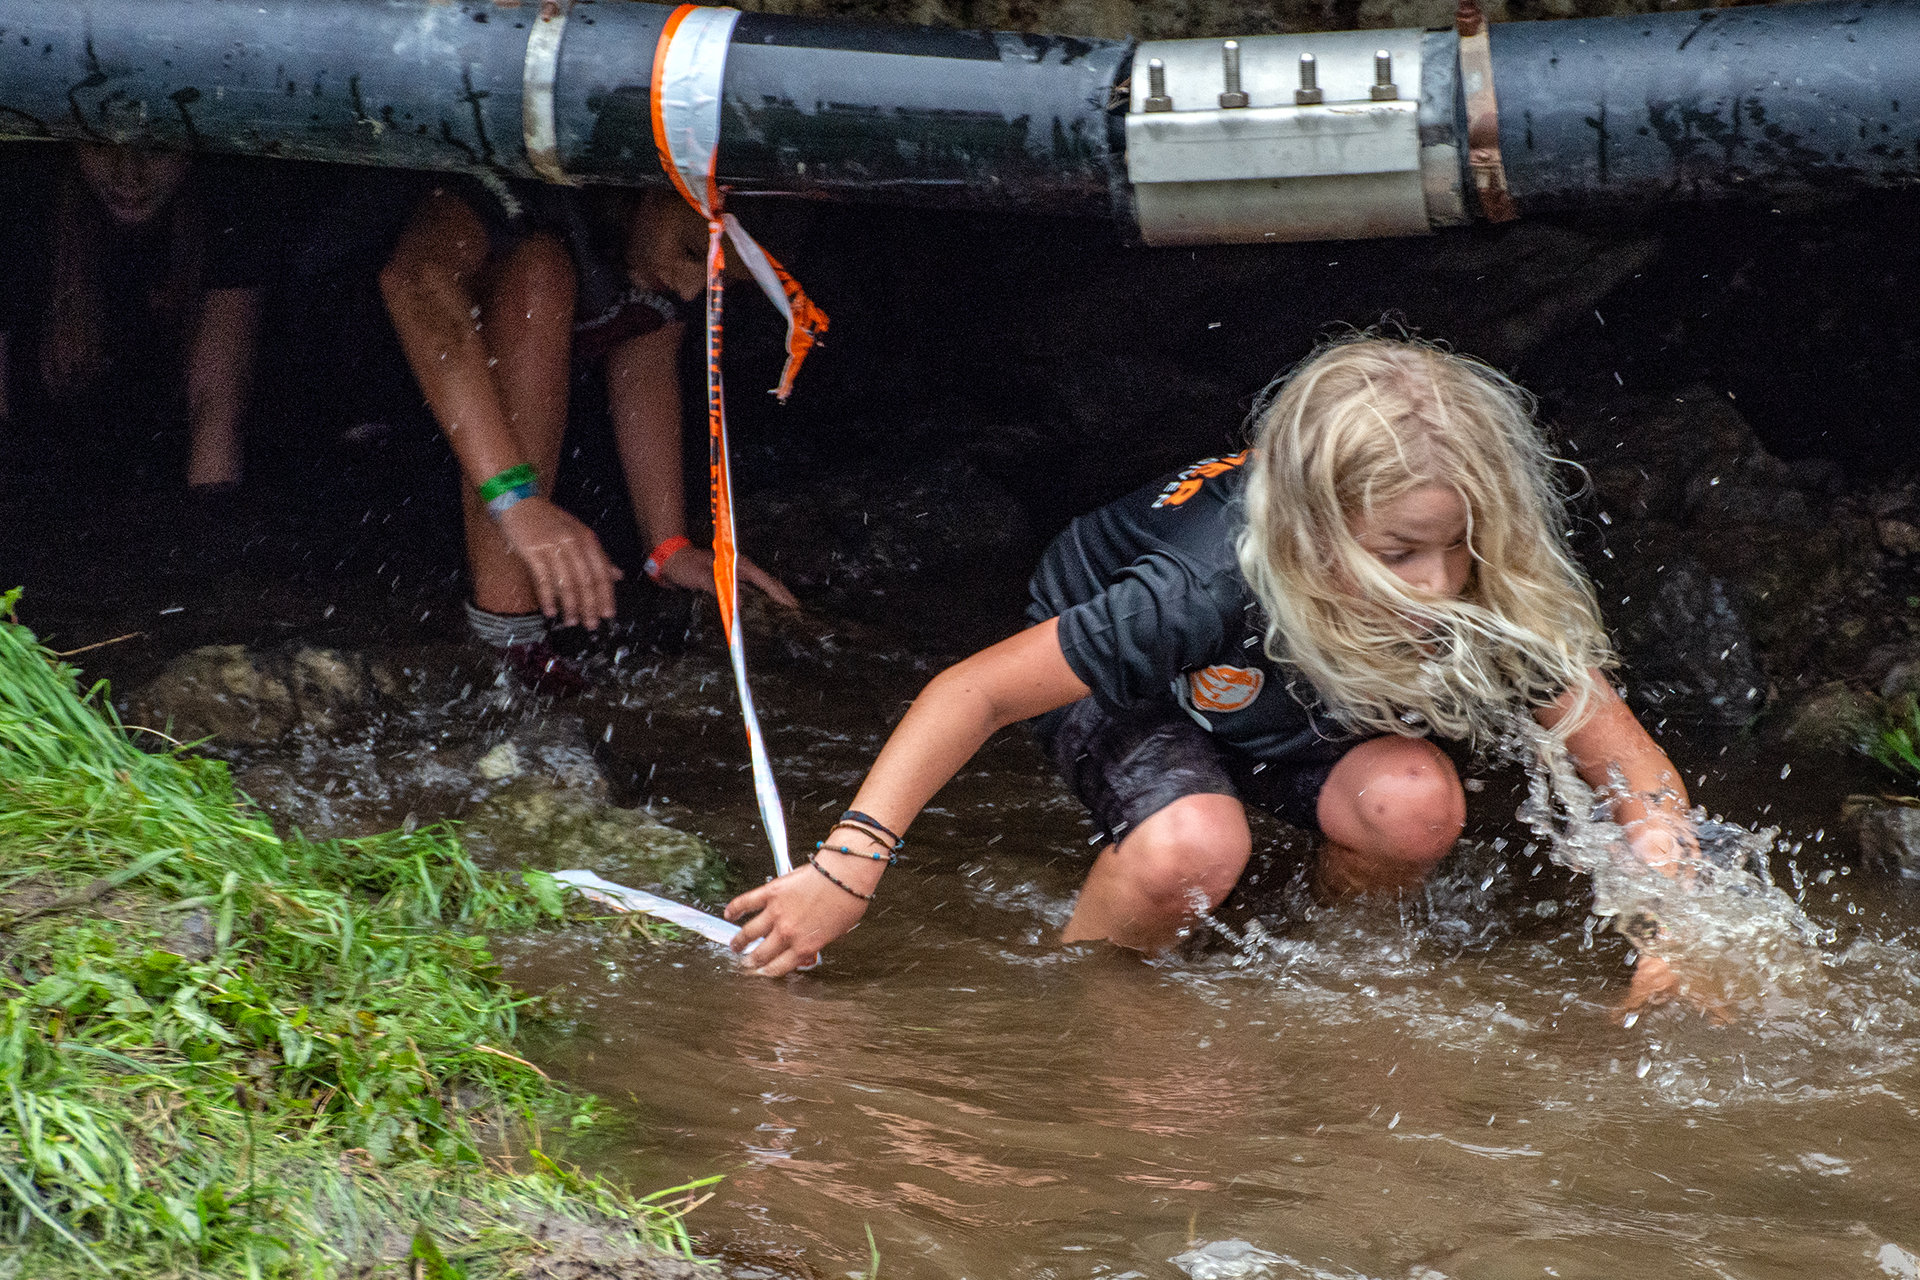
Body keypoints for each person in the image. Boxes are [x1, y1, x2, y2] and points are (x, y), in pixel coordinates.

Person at [724, 335, 1704, 1010]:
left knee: (1415, 803)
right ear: (1318, 533)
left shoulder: (1475, 582)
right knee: (1191, 844)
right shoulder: (1195, 585)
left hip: (1279, 679)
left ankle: (1335, 963)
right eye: (1403, 553)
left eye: (1458, 548)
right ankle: (1091, 1005)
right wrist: (842, 871)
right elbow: (968, 692)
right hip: (1151, 682)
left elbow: (1630, 768)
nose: (1439, 581)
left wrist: (1674, 921)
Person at [379, 179, 795, 679]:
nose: (691, 288)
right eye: (690, 253)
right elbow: (415, 278)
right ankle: (505, 636)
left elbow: (647, 355)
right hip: (388, 407)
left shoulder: (657, 261)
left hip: (498, 464)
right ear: (660, 190)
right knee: (541, 272)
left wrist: (669, 548)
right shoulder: (534, 196)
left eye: (716, 279)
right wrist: (516, 501)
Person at [0, 141, 269, 492]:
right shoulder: (23, 207)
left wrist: (205, 531)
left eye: (157, 147)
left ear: (189, 147)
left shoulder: (229, 208)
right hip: (43, 481)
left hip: (164, 488)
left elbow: (216, 409)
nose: (128, 173)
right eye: (100, 145)